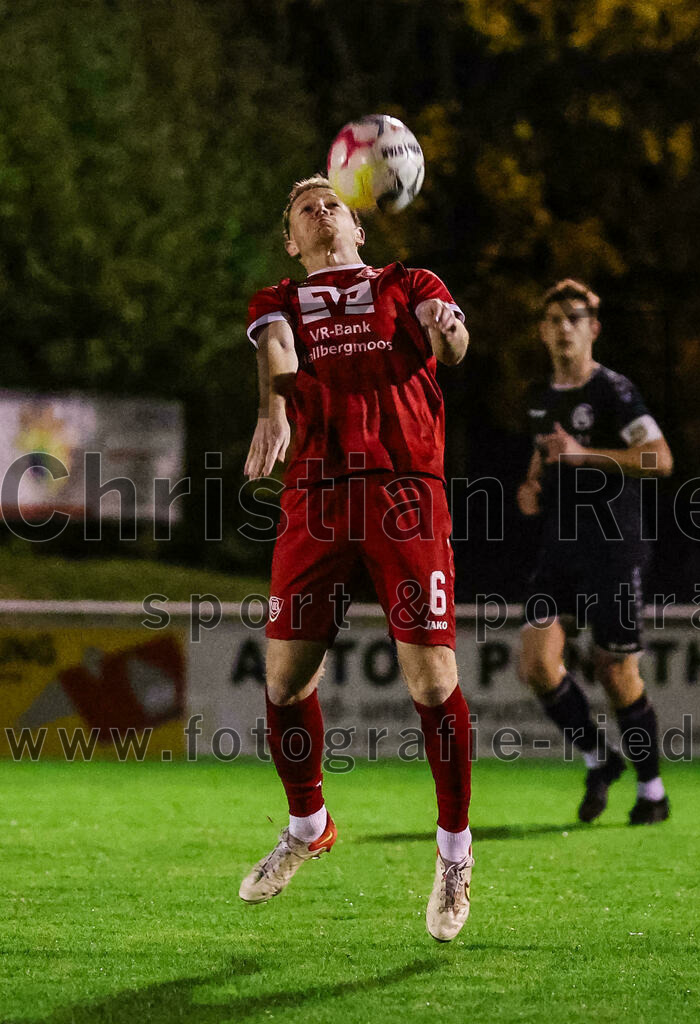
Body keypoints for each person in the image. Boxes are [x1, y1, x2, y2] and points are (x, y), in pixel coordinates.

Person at [240, 176, 473, 942]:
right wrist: (273, 410)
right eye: (303, 204)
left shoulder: (409, 283)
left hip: (406, 489)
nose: (320, 207)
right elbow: (275, 348)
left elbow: (455, 347)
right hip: (316, 489)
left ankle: (453, 856)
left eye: (332, 201)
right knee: (283, 680)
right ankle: (309, 825)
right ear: (291, 239)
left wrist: (446, 324)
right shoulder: (278, 297)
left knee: (433, 681)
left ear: (358, 229)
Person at [516, 278, 674, 825]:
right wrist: (532, 484)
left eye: (575, 318)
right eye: (555, 319)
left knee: (615, 672)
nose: (564, 328)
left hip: (614, 550)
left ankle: (652, 791)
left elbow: (660, 459)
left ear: (593, 329)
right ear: (542, 330)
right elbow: (545, 457)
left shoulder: (615, 392)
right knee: (536, 664)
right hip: (560, 550)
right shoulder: (542, 399)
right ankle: (598, 759)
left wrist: (587, 455)